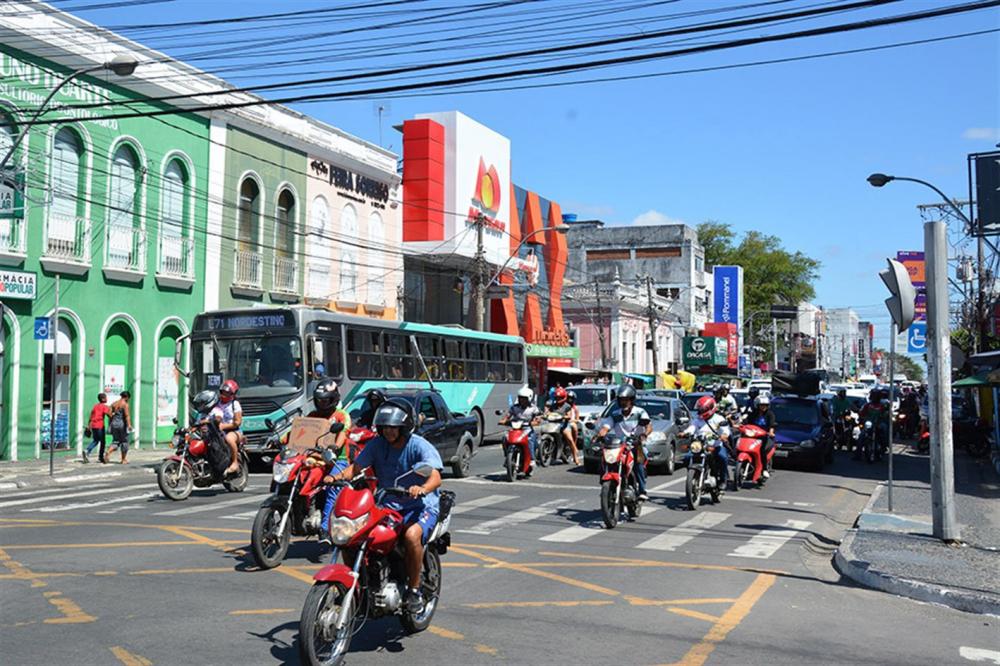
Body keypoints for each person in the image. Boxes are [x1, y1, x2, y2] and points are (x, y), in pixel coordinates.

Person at [330, 399, 442, 614]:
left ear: (404, 427)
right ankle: (362, 587)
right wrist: (335, 477)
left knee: (411, 536)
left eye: (394, 427)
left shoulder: (419, 445)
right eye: (385, 427)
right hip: (387, 504)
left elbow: (435, 477)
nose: (389, 432)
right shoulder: (376, 444)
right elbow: (356, 467)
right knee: (356, 536)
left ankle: (414, 590)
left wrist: (423, 488)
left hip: (420, 506)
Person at [307, 379, 352, 544]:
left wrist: (335, 447)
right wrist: (281, 440)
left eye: (325, 400)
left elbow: (343, 433)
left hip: (336, 459)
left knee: (333, 489)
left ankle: (325, 529)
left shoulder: (341, 416)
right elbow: (300, 432)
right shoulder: (312, 416)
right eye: (319, 400)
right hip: (313, 457)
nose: (322, 403)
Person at [596, 384, 651, 500]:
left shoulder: (640, 412)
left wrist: (644, 434)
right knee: (604, 458)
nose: (623, 403)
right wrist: (601, 433)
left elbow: (648, 426)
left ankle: (642, 490)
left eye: (626, 400)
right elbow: (606, 426)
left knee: (638, 463)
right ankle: (605, 484)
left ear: (632, 400)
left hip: (636, 444)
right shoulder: (615, 414)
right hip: (619, 445)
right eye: (621, 400)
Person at [685, 395, 732, 488]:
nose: (701, 411)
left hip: (716, 446)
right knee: (687, 457)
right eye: (700, 409)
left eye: (703, 409)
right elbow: (692, 427)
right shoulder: (698, 419)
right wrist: (685, 433)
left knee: (723, 458)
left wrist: (724, 435)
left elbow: (725, 430)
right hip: (701, 445)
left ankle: (723, 480)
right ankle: (695, 475)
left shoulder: (719, 419)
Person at [499, 387, 542, 470]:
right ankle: (507, 455)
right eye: (520, 398)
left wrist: (532, 422)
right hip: (516, 429)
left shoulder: (533, 408)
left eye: (524, 398)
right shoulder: (514, 407)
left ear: (529, 398)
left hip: (527, 429)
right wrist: (503, 421)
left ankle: (532, 459)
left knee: (530, 440)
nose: (522, 400)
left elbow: (538, 420)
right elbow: (507, 416)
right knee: (505, 438)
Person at [211, 380, 243, 475]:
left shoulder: (235, 404)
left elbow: (237, 422)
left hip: (234, 431)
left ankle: (235, 462)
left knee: (228, 439)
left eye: (227, 393)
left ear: (232, 394)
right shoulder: (216, 403)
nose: (224, 395)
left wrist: (223, 426)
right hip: (218, 430)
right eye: (223, 392)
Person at [546, 387, 580, 465]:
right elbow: (548, 412)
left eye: (560, 398)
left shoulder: (567, 406)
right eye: (557, 398)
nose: (558, 399)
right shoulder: (553, 405)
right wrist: (545, 415)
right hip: (553, 424)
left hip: (563, 425)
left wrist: (564, 417)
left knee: (569, 439)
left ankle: (575, 457)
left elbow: (569, 415)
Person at [745, 395, 776, 478]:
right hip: (752, 435)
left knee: (762, 450)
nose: (763, 407)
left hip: (763, 437)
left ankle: (764, 469)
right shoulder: (753, 413)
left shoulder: (770, 414)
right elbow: (747, 422)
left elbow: (772, 425)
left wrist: (771, 432)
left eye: (765, 405)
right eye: (762, 405)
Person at [857, 389, 888, 460]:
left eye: (876, 396)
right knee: (861, 436)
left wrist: (884, 415)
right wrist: (861, 416)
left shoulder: (882, 406)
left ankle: (884, 446)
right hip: (869, 424)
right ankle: (858, 454)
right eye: (873, 396)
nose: (875, 398)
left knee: (885, 429)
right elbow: (862, 413)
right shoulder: (867, 405)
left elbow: (885, 414)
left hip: (879, 424)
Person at [83, 393, 111, 464]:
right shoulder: (104, 406)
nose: (107, 399)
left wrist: (89, 426)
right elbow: (108, 414)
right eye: (106, 398)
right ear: (103, 399)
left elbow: (91, 417)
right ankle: (100, 456)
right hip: (100, 426)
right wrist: (113, 415)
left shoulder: (95, 406)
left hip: (93, 426)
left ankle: (87, 451)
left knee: (96, 440)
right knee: (102, 442)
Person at [107, 391, 132, 464]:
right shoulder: (125, 404)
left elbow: (109, 413)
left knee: (116, 441)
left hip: (114, 424)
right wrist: (129, 425)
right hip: (122, 424)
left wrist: (113, 418)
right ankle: (123, 459)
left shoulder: (114, 403)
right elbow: (127, 416)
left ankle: (108, 452)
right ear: (127, 397)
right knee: (125, 442)